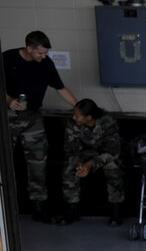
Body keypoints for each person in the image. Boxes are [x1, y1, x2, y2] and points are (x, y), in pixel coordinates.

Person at [3, 30, 77, 222]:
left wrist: (78, 108)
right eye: (40, 53)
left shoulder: (46, 64)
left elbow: (60, 88)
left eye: (46, 53)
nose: (44, 56)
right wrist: (9, 99)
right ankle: (4, 208)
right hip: (8, 116)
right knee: (4, 162)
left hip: (33, 116)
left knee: (38, 162)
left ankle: (39, 205)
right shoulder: (7, 59)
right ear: (29, 48)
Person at [60, 99, 124, 226]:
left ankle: (116, 212)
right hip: (85, 154)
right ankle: (72, 209)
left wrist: (89, 165)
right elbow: (71, 149)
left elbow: (113, 151)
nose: (74, 117)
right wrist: (79, 165)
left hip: (107, 154)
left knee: (113, 168)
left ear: (89, 117)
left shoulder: (107, 122)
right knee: (69, 167)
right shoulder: (73, 124)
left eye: (77, 116)